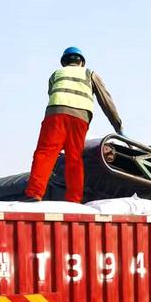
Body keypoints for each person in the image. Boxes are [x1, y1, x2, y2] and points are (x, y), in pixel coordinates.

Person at [24, 47, 123, 203]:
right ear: (81, 62)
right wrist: (118, 125)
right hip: (79, 119)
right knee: (74, 158)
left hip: (55, 116)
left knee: (45, 153)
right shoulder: (89, 73)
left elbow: (51, 94)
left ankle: (34, 194)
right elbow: (106, 101)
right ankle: (74, 199)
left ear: (64, 62)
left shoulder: (56, 74)